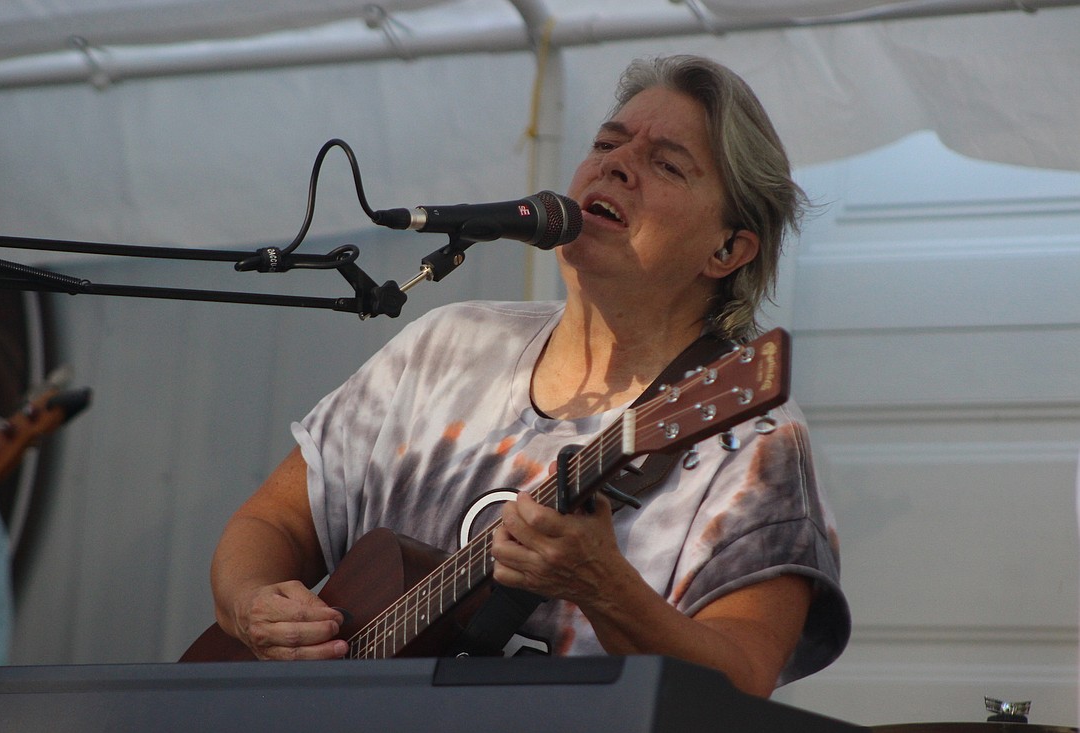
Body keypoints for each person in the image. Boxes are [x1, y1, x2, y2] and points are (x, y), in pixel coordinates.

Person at [209, 54, 850, 698]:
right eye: (608, 142)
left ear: (728, 249)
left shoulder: (754, 441)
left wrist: (607, 588)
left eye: (667, 164)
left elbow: (739, 680)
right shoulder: (451, 345)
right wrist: (251, 606)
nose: (616, 164)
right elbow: (274, 523)